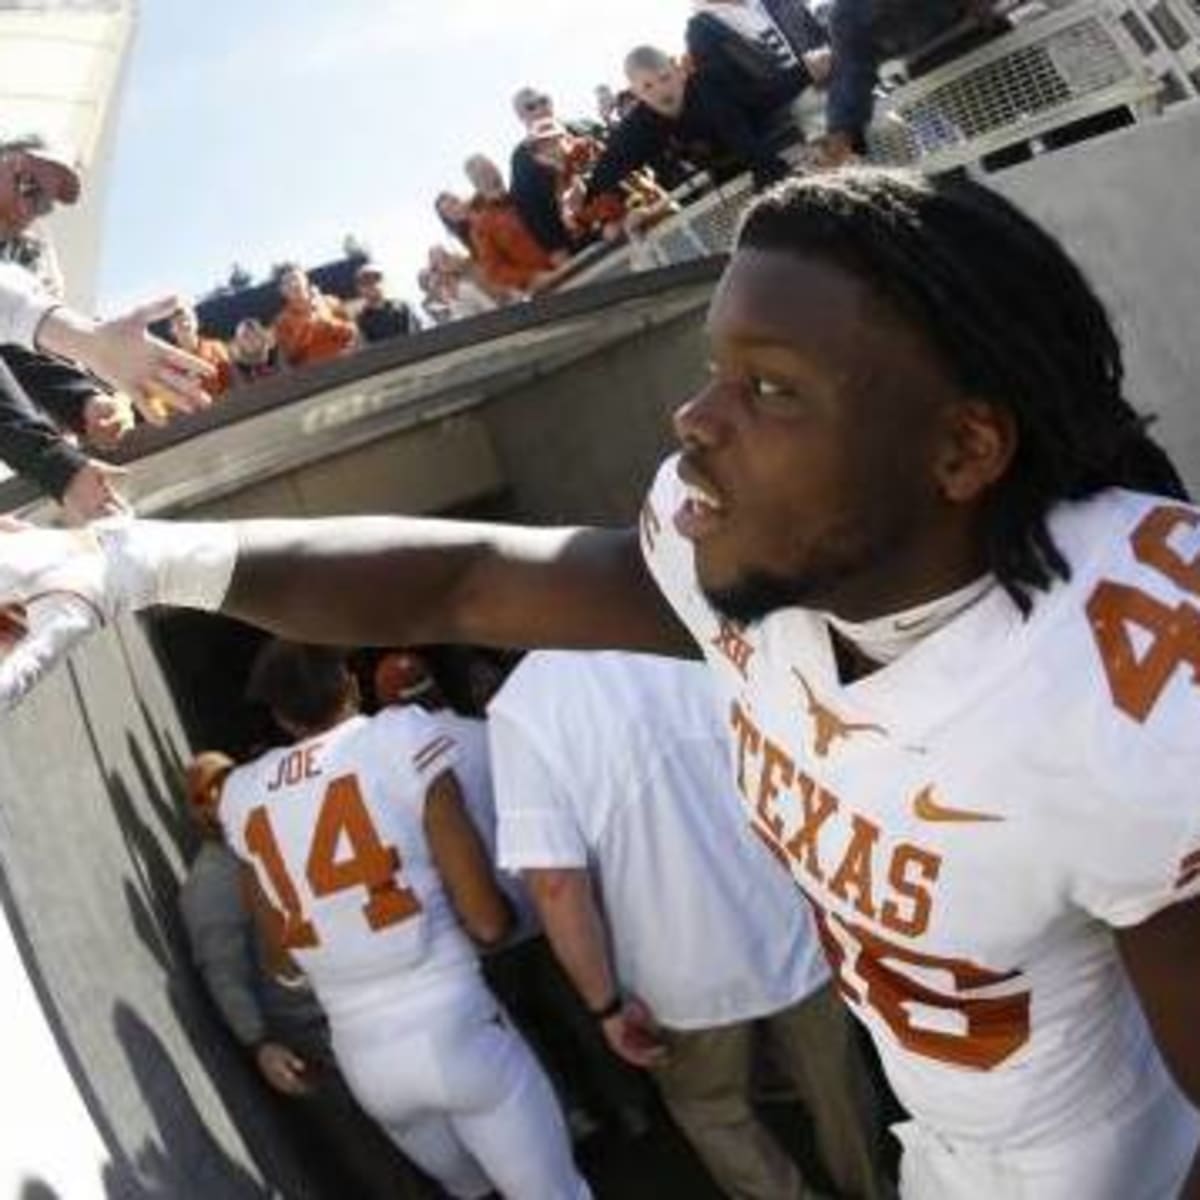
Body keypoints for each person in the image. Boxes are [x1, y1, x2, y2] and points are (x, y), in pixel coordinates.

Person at [4, 168, 1199, 1200]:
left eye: (771, 389)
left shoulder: (1120, 685)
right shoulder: (754, 565)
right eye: (717, 370)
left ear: (963, 449)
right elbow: (469, 577)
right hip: (937, 1127)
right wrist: (142, 560)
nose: (694, 422)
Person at [491, 649, 887, 1199]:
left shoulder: (525, 705)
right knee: (841, 1090)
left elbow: (556, 884)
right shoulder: (680, 620)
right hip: (791, 924)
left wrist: (603, 1004)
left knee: (715, 1113)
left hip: (671, 972)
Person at [215, 641, 590, 1199]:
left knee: (474, 1192)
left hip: (366, 1062)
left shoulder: (243, 794)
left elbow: (283, 963)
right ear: (350, 681)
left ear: (280, 716)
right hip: (455, 1024)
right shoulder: (397, 737)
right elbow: (487, 921)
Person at [178, 752, 435, 1200]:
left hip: (356, 998)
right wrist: (259, 1042)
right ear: (195, 811)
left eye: (227, 779)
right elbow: (223, 971)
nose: (219, 797)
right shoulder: (211, 884)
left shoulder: (274, 831)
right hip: (309, 1034)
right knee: (376, 1149)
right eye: (206, 793)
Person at [463, 155, 563, 298]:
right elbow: (495, 270)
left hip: (573, 263)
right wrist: (531, 278)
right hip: (549, 287)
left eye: (489, 167)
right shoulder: (482, 226)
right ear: (475, 184)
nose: (489, 174)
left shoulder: (525, 193)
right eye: (481, 173)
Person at [271, 264, 357, 368]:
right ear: (281, 290)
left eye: (295, 278)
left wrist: (329, 323)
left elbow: (353, 333)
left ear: (306, 280)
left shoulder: (331, 302)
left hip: (347, 365)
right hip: (314, 377)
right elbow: (289, 357)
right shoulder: (281, 321)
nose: (293, 284)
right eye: (287, 282)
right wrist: (307, 326)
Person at [168, 304, 233, 398]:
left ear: (196, 323)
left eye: (187, 319)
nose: (184, 324)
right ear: (172, 330)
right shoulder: (170, 361)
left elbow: (230, 379)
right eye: (178, 322)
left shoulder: (216, 347)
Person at [352, 265, 420, 345]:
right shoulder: (361, 319)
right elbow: (365, 346)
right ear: (359, 289)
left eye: (375, 280)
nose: (371, 286)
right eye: (365, 283)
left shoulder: (402, 307)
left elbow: (415, 335)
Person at [228, 318, 281, 386]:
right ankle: (248, 374)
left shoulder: (269, 339)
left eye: (253, 337)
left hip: (264, 355)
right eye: (247, 337)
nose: (251, 339)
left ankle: (269, 366)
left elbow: (272, 340)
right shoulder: (235, 351)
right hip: (246, 360)